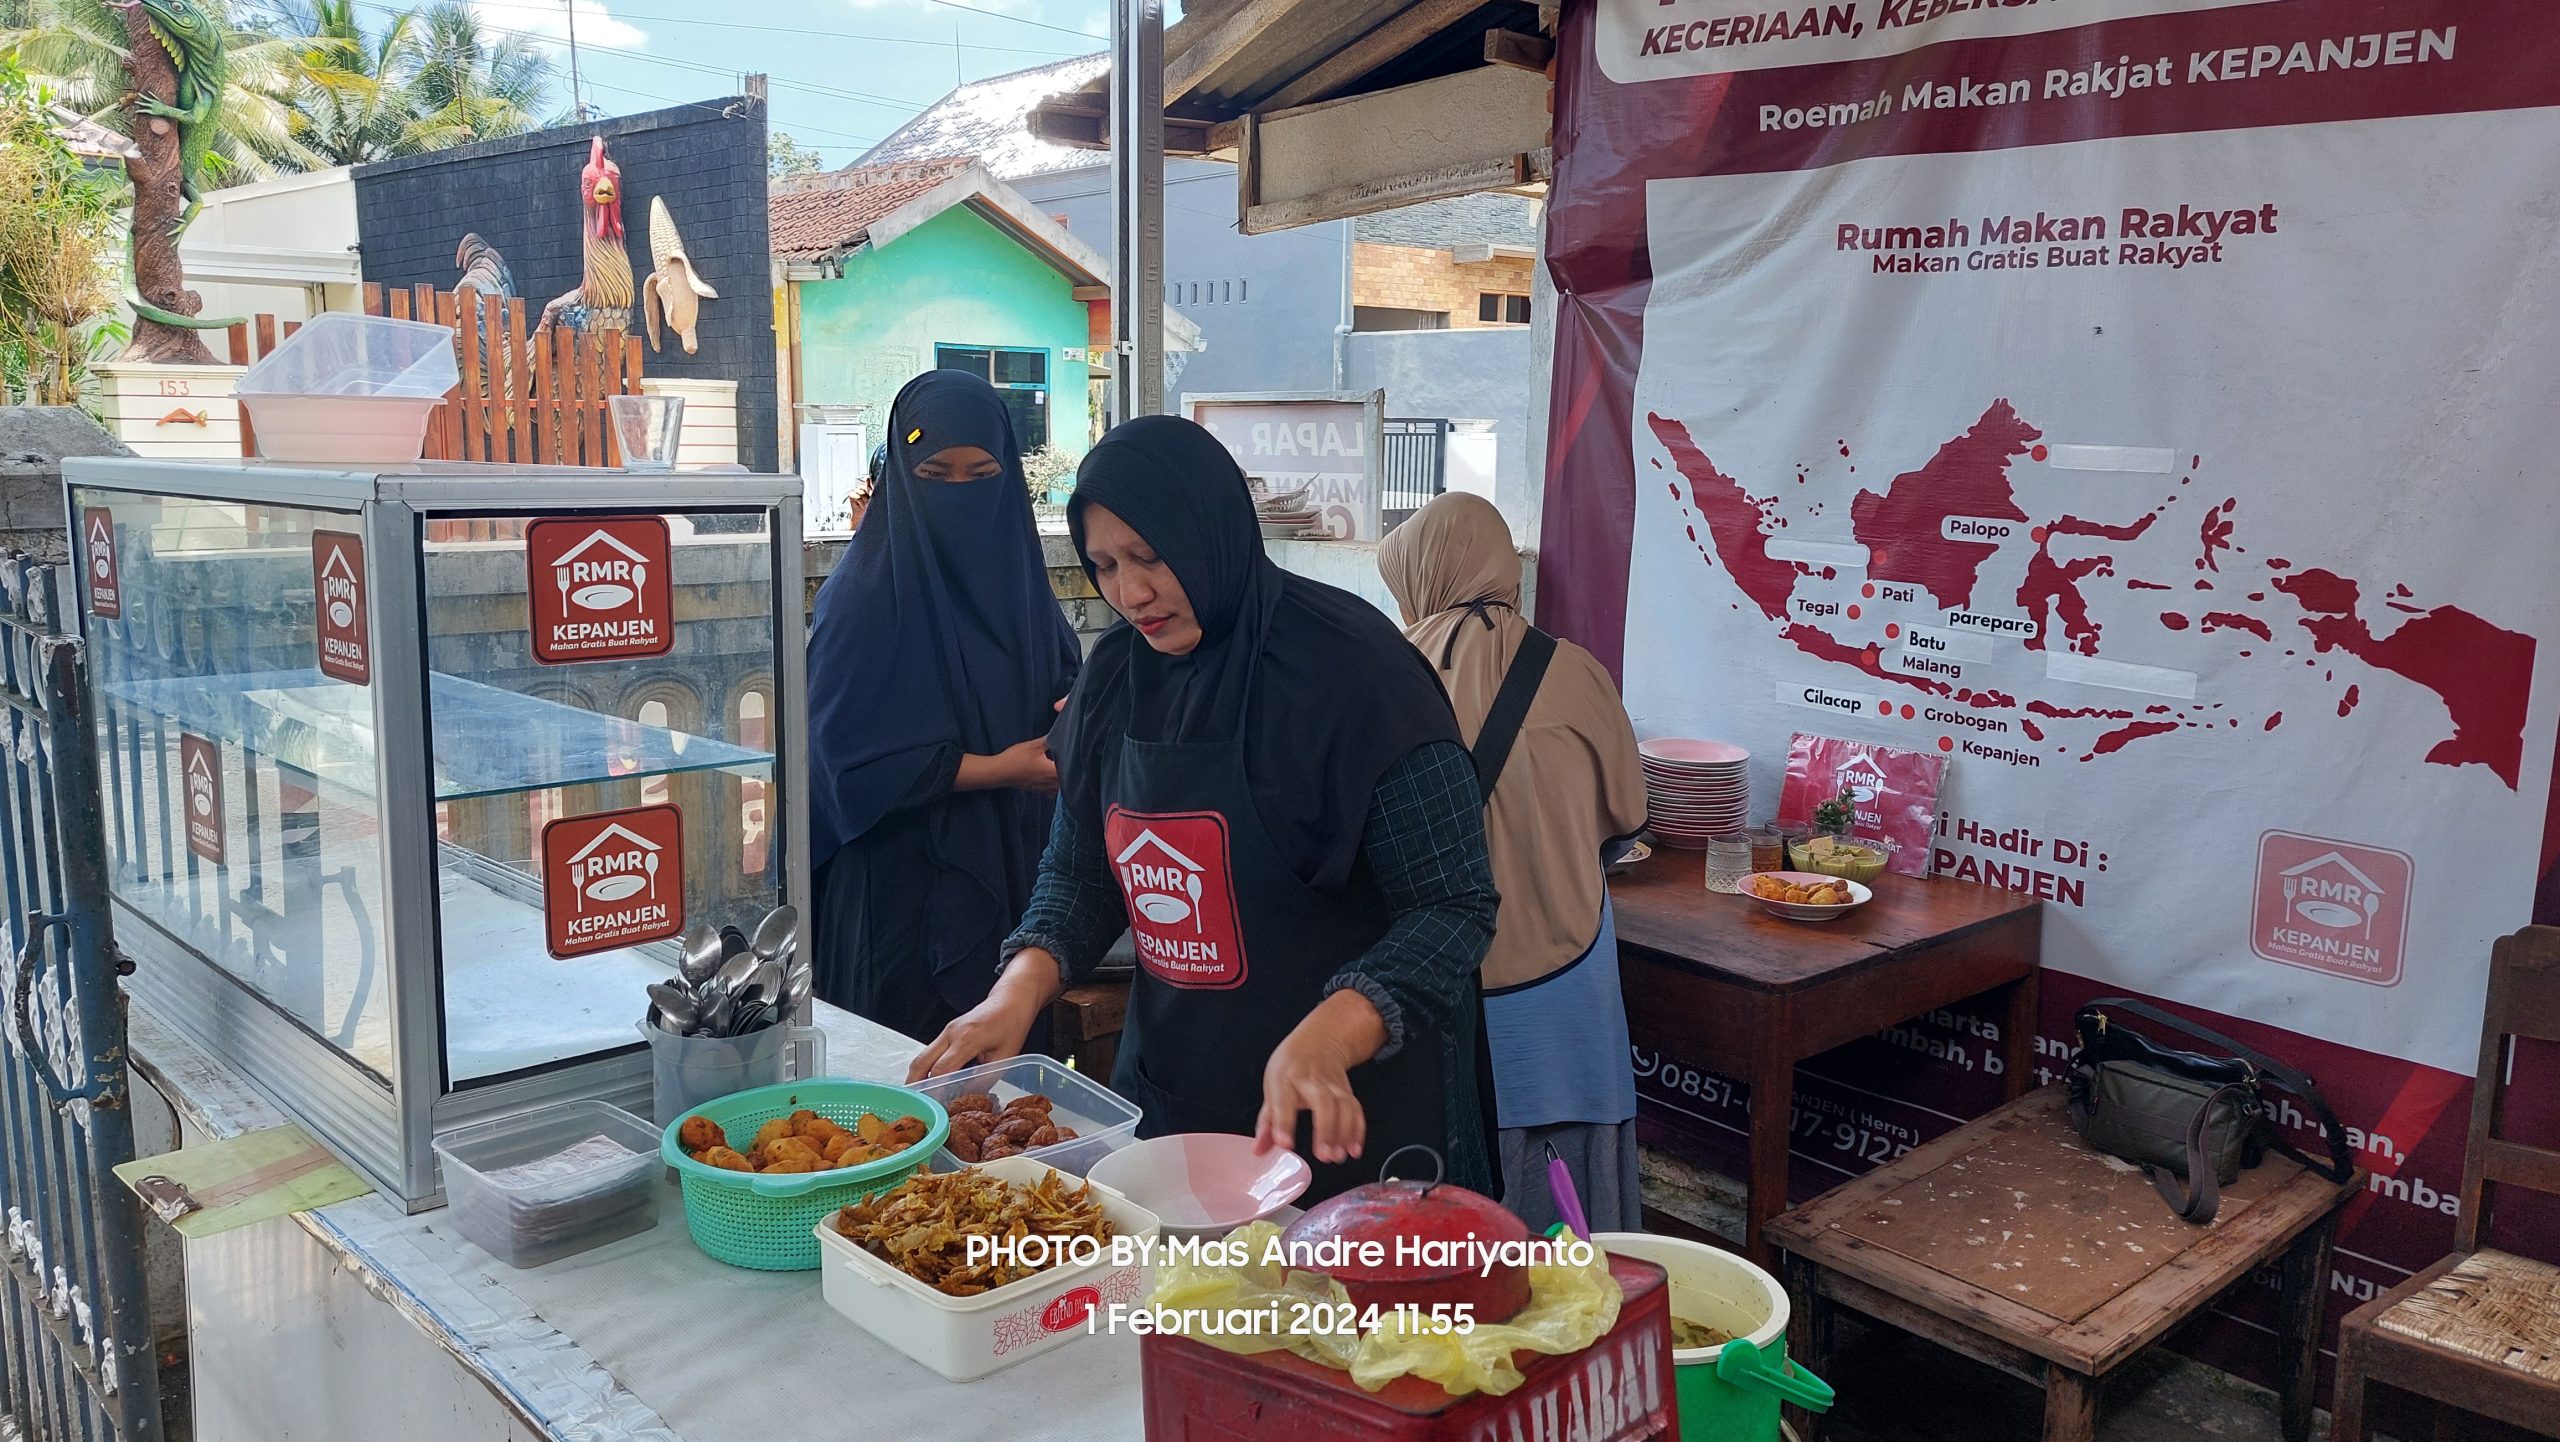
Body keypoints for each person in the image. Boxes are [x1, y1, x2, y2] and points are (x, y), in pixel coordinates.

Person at [909, 415, 1502, 1202]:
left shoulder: (1356, 674)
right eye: (1106, 566)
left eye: (1152, 557)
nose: (1132, 593)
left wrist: (1334, 1033)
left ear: (1210, 530)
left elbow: (1452, 905)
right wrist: (1015, 991)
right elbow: (1081, 871)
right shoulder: (1116, 677)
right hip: (1180, 1101)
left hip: (1355, 1114)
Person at [1378, 492, 1650, 1233]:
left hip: (1435, 981)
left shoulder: (1384, 672)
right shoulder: (1578, 672)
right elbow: (1627, 817)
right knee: (1567, 1204)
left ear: (1418, 574)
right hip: (1566, 979)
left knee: (1449, 1196)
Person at [806, 371, 1080, 1043]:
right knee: (901, 1108)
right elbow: (846, 764)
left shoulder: (1021, 591)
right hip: (896, 904)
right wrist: (1004, 769)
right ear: (902, 472)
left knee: (1008, 1111)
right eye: (936, 471)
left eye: (981, 473)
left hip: (1013, 873)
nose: (961, 492)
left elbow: (1061, 689)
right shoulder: (863, 600)